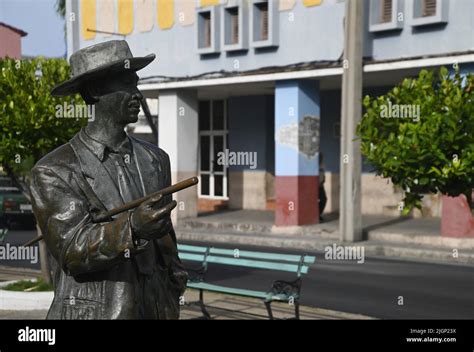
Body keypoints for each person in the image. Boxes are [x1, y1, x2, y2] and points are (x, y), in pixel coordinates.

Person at [28, 40, 187, 319]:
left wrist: (174, 280)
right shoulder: (54, 170)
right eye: (127, 84)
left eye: (136, 84)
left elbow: (165, 237)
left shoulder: (156, 160)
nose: (137, 94)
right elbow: (71, 250)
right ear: (94, 91)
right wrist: (132, 228)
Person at [319, 152, 327, 221]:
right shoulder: (312, 165)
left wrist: (323, 179)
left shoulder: (322, 164)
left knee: (324, 199)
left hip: (320, 185)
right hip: (314, 186)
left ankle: (318, 214)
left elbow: (323, 173)